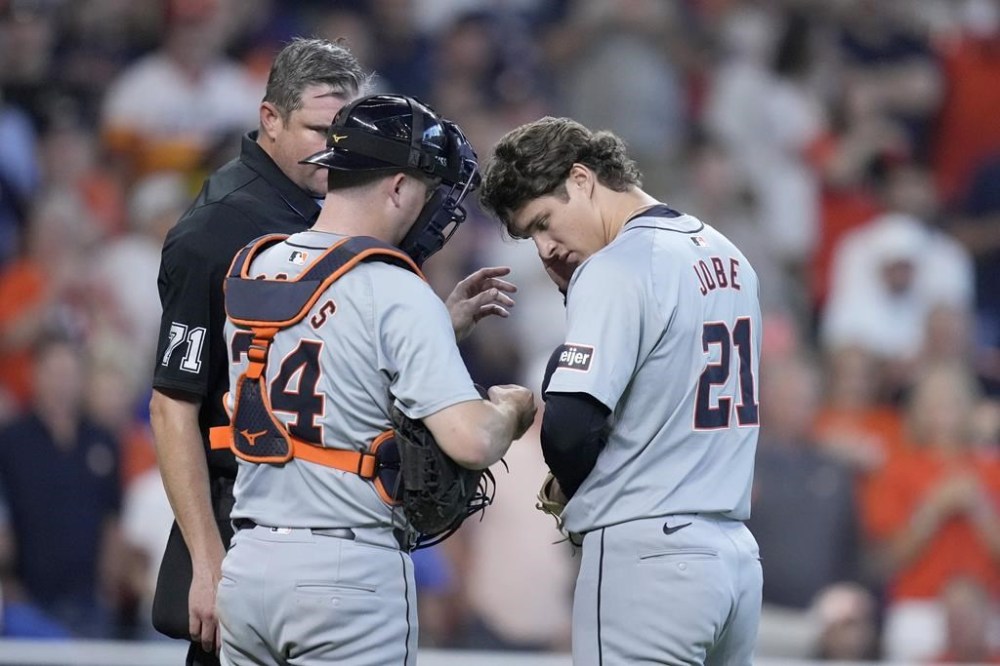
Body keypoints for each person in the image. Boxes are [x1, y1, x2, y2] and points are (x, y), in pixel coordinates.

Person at [214, 93, 536, 664]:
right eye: (426, 189)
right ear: (396, 187)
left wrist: (439, 326)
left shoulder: (258, 263)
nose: (431, 209)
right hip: (345, 576)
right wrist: (511, 411)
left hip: (248, 565)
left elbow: (332, 352)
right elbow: (472, 439)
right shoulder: (394, 289)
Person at [480, 116, 764, 665]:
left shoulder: (617, 266)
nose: (542, 248)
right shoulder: (728, 253)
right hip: (733, 559)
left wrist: (571, 484)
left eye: (543, 221)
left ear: (583, 179)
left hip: (650, 558)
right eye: (528, 236)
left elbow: (567, 427)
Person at [149, 38, 370, 665]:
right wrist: (206, 560)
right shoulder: (214, 231)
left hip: (310, 520)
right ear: (269, 118)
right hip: (238, 516)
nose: (335, 148)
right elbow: (172, 405)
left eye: (345, 132)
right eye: (319, 129)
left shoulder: (321, 207)